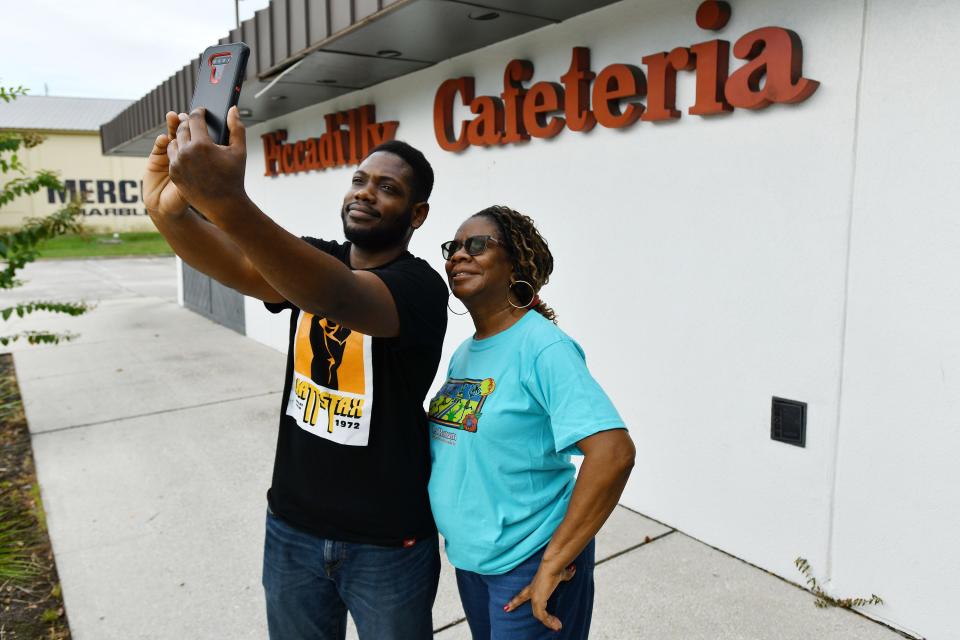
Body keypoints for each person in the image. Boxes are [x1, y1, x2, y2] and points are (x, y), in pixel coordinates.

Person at [142, 106, 447, 640]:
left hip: (387, 543)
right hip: (291, 529)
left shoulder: (420, 288)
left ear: (416, 214)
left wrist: (227, 201)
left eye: (387, 188)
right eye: (358, 180)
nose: (365, 193)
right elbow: (238, 267)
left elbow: (336, 295)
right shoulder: (314, 258)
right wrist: (167, 212)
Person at [428, 205, 636, 639]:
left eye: (477, 244)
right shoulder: (466, 353)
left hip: (526, 560)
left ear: (516, 265)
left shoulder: (544, 347)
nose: (458, 256)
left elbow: (613, 453)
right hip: (473, 560)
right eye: (453, 247)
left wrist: (553, 562)